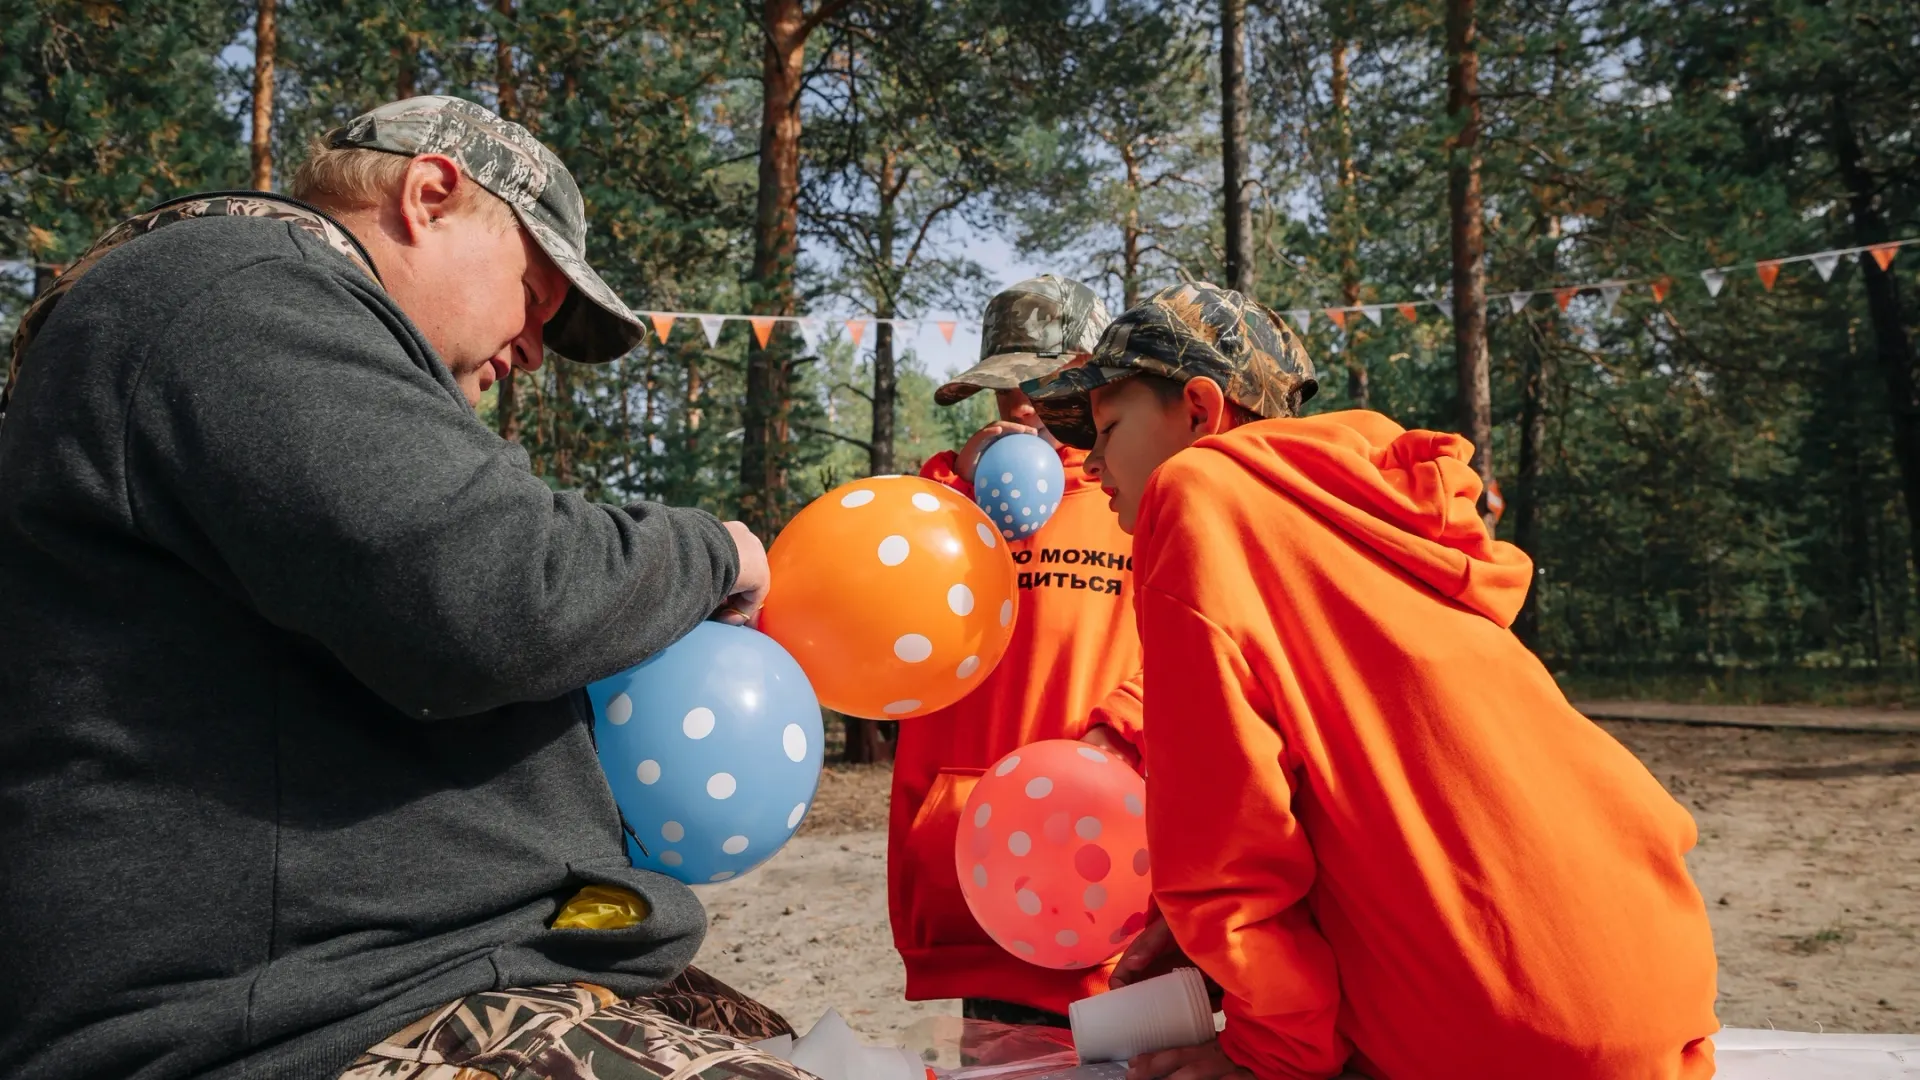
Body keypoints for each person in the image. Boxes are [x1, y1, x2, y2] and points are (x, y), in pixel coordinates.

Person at [0, 96, 807, 1080]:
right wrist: (715, 552)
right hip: (302, 1023)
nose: (533, 354)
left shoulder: (263, 330)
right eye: (538, 295)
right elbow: (497, 593)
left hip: (404, 984)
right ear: (431, 195)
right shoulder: (239, 288)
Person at [1023, 283, 1720, 1080]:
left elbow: (1228, 841)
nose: (1091, 462)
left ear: (1200, 410)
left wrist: (1269, 1056)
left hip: (1497, 1035)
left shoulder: (1200, 493)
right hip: (1661, 994)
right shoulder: (1379, 517)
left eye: (1108, 428)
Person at [889, 275, 1145, 1029]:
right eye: (1005, 390)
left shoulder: (1139, 498)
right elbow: (889, 600)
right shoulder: (954, 504)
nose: (1024, 405)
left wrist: (1124, 727)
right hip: (982, 865)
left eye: (1046, 383)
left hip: (1111, 857)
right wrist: (951, 486)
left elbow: (1204, 645)